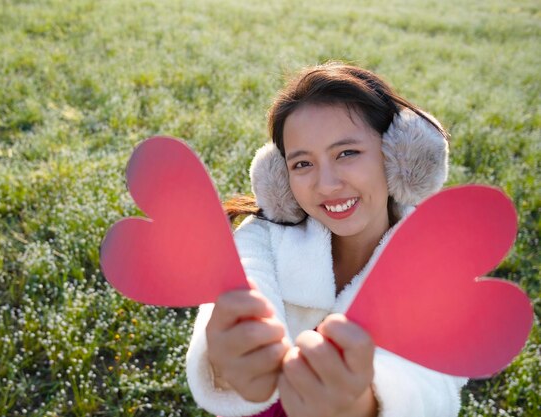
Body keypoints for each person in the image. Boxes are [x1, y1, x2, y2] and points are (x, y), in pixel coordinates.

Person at [186, 62, 467, 417]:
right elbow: (243, 281)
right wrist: (229, 355)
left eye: (347, 153)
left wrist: (365, 404)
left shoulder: (433, 267)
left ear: (396, 157)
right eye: (303, 164)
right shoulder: (264, 237)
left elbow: (438, 382)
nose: (327, 184)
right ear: (281, 176)